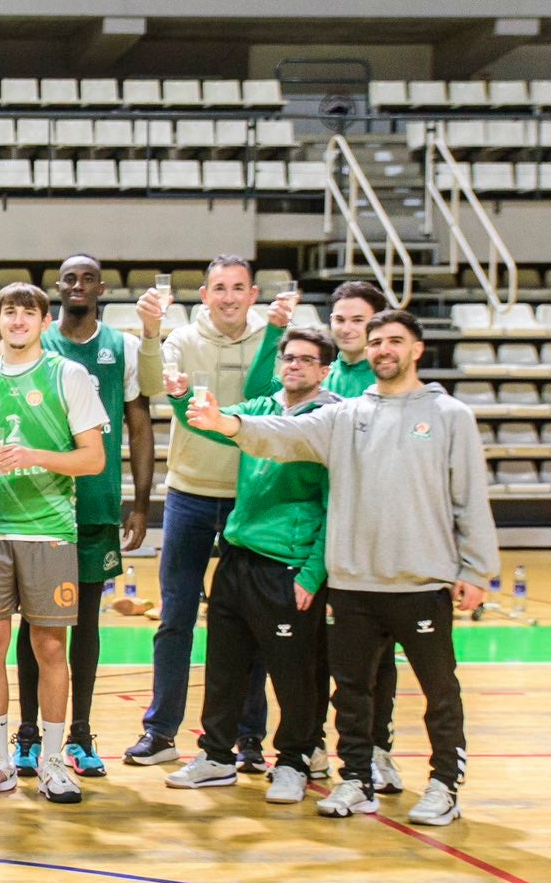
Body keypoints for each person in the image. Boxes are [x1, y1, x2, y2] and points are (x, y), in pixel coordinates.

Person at [190, 310, 497, 827]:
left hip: (420, 580)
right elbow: (283, 435)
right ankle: (355, 779)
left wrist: (477, 569)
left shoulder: (449, 415)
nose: (383, 350)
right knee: (350, 691)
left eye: (395, 341)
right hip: (353, 582)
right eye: (376, 342)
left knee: (439, 689)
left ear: (416, 349)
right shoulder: (345, 414)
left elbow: (470, 497)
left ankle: (445, 783)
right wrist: (229, 424)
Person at [164, 327, 335, 803]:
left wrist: (313, 572)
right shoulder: (261, 408)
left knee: (293, 673)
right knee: (224, 666)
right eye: (289, 357)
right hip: (236, 556)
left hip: (288, 565)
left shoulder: (330, 419)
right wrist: (182, 401)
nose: (294, 365)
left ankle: (295, 760)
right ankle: (217, 756)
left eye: (306, 359)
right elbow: (209, 423)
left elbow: (335, 506)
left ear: (324, 370)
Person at [0, 282, 108, 805]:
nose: (18, 320)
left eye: (28, 312)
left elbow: (94, 460)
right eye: (9, 312)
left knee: (49, 648)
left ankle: (50, 761)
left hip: (48, 531)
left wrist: (36, 456)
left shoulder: (69, 376)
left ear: (45, 322)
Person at [241, 278, 395, 785]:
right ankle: (312, 746)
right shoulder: (310, 377)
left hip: (368, 542)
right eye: (340, 318)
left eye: (359, 320)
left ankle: (375, 746)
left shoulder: (385, 384)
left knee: (366, 653)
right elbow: (259, 406)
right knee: (310, 655)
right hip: (317, 538)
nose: (348, 328)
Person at [125, 255, 272, 767]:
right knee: (175, 618)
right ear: (204, 295)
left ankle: (251, 736)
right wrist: (149, 330)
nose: (228, 297)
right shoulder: (183, 339)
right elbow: (146, 384)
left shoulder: (272, 339)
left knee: (250, 623)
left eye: (238, 288)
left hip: (250, 496)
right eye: (219, 288)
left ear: (253, 294)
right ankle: (162, 732)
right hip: (189, 493)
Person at [12, 255, 153, 777]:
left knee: (86, 624)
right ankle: (27, 733)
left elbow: (138, 426)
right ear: (57, 288)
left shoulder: (122, 347)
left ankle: (82, 734)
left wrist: (139, 501)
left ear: (100, 289)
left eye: (88, 278)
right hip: (39, 503)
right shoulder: (35, 339)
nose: (78, 285)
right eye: (69, 278)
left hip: (94, 503)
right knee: (36, 624)